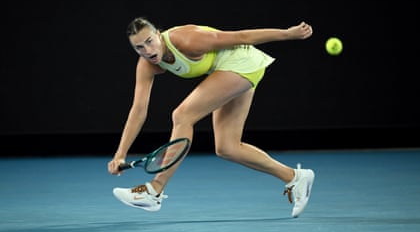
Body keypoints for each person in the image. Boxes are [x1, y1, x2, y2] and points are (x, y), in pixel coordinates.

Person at [107, 17, 315, 218]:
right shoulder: (146, 65)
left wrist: (288, 34)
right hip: (227, 70)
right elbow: (138, 110)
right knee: (227, 148)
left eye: (149, 41)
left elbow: (242, 36)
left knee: (182, 115)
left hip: (242, 61)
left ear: (159, 35)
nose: (148, 51)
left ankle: (155, 189)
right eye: (139, 47)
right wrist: (120, 154)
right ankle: (296, 177)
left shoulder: (188, 40)